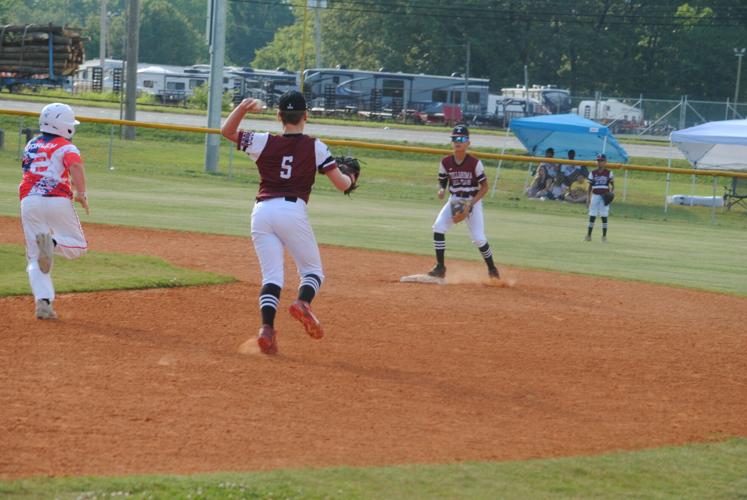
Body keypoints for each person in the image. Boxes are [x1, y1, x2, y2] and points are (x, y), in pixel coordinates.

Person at [220, 90, 357, 355]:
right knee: (313, 272)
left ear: (279, 116)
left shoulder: (263, 142)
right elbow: (341, 184)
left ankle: (267, 331)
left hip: (261, 212)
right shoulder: (315, 146)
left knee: (272, 277)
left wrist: (242, 108)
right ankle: (303, 303)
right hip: (291, 210)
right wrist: (351, 177)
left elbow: (226, 131)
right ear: (306, 116)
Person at [19, 102, 90, 319]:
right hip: (57, 200)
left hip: (29, 201)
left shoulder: (31, 144)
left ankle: (44, 302)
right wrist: (82, 194)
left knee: (34, 257)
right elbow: (75, 166)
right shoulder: (66, 146)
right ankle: (52, 244)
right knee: (78, 246)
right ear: (65, 126)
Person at [427, 124, 500, 280]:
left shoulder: (474, 163)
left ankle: (492, 269)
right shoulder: (445, 162)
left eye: (462, 138)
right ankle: (440, 267)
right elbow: (442, 180)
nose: (458, 141)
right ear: (451, 142)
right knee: (438, 227)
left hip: (472, 199)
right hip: (456, 199)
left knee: (479, 238)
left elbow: (485, 187)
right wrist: (441, 189)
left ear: (468, 143)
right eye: (455, 139)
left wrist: (470, 204)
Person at [585, 154, 615, 242]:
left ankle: (604, 236)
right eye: (598, 160)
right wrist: (588, 198)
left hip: (605, 196)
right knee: (592, 215)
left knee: (604, 215)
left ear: (605, 162)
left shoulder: (609, 173)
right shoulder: (593, 173)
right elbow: (590, 187)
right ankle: (589, 236)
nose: (599, 162)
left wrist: (612, 194)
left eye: (601, 160)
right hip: (595, 195)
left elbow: (613, 186)